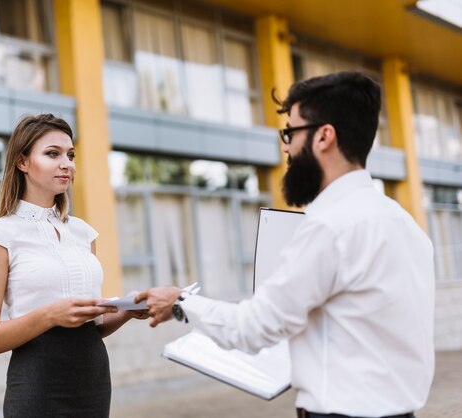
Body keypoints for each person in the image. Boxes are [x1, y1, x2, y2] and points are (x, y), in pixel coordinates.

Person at [135, 72, 435, 418]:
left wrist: (180, 302)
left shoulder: (328, 227)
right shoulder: (406, 226)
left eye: (290, 133)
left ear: (324, 136)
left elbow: (254, 327)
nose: (285, 147)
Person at [0, 114, 148, 417]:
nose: (67, 163)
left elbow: (90, 327)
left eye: (70, 155)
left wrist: (126, 310)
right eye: (52, 154)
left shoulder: (82, 233)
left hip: (92, 381)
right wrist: (49, 315)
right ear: (23, 162)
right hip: (38, 385)